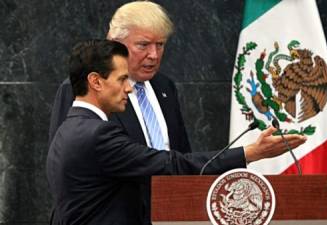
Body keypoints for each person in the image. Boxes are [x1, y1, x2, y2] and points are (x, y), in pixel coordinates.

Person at [47, 39, 307, 225]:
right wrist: (249, 153)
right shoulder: (97, 135)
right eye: (121, 79)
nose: (128, 88)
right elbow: (170, 163)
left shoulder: (68, 129)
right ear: (95, 81)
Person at [48, 2, 191, 224]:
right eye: (143, 45)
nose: (153, 55)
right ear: (115, 44)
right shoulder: (82, 90)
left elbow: (181, 154)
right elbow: (68, 168)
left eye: (160, 44)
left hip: (169, 215)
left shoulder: (166, 87)